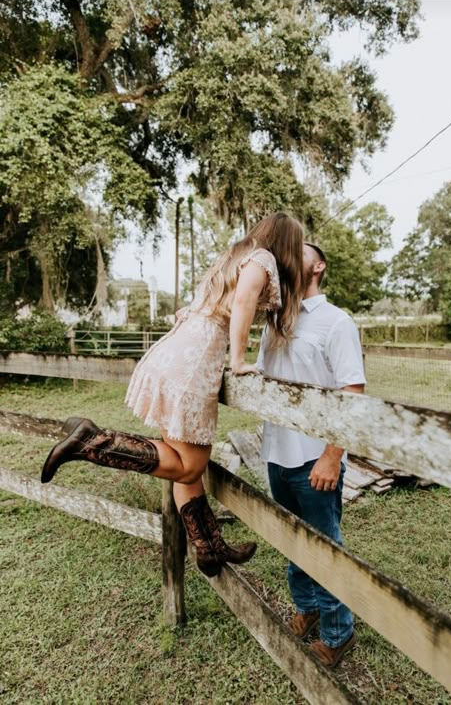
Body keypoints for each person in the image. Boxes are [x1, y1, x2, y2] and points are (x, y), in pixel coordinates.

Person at [41, 212, 306, 579]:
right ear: (287, 244)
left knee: (184, 470)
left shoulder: (233, 256)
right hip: (195, 359)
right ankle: (93, 442)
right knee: (190, 465)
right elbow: (244, 301)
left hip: (176, 350)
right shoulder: (262, 260)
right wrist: (239, 360)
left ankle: (209, 547)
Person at [256, 242, 366, 668]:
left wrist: (331, 456)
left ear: (318, 265)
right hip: (276, 454)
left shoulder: (336, 322)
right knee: (293, 539)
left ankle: (339, 633)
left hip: (314, 458)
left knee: (325, 544)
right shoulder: (275, 321)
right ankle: (309, 607)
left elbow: (352, 394)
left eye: (298, 249)